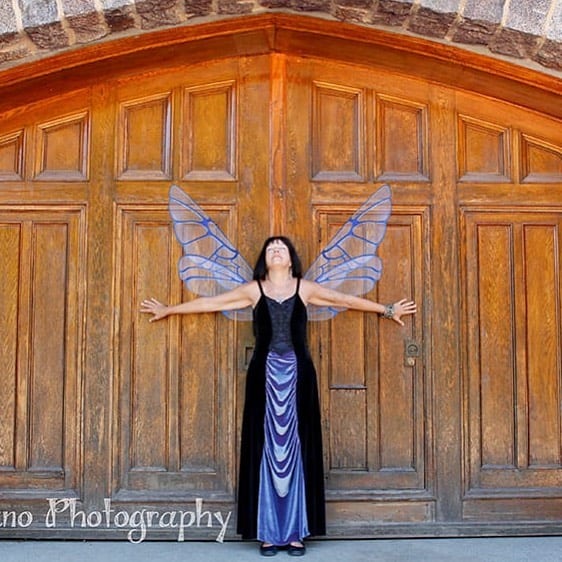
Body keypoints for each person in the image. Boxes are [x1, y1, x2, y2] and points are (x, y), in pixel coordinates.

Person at [140, 236, 417, 557]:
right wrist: (169, 310)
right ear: (265, 258)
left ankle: (296, 532)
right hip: (264, 376)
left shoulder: (306, 288)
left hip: (299, 376)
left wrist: (387, 309)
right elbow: (210, 303)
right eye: (270, 247)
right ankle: (269, 533)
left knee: (298, 447)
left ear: (290, 258)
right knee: (266, 448)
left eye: (281, 248)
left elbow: (347, 299)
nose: (275, 250)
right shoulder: (252, 290)